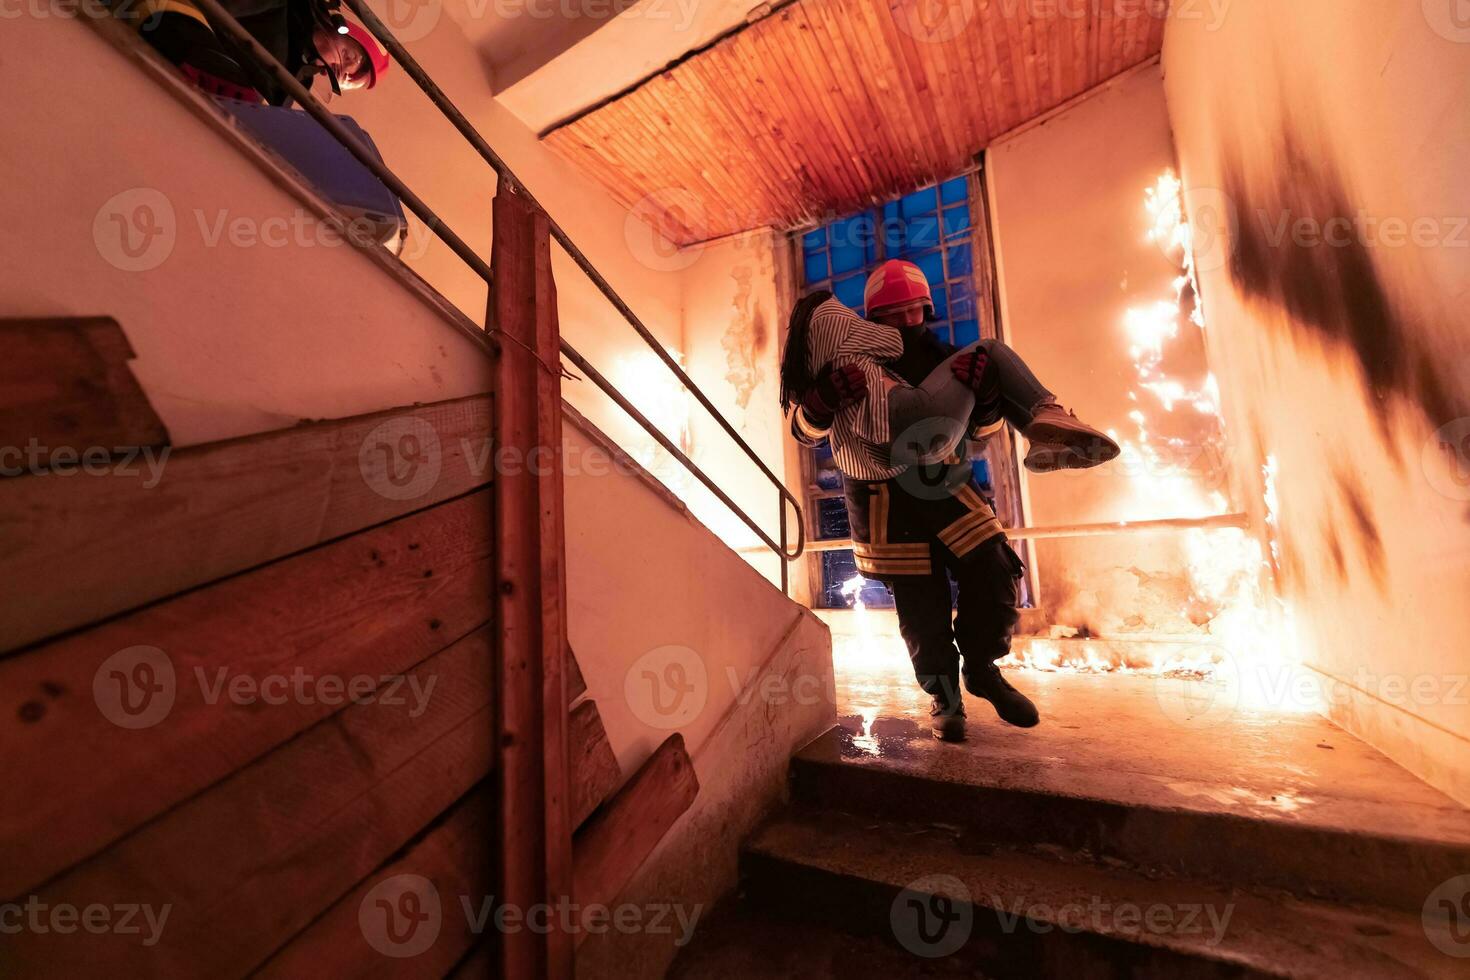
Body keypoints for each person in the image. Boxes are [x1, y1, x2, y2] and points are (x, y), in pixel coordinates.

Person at [781, 259, 1120, 741]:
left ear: (926, 310)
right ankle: (945, 698)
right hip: (884, 501)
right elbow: (804, 430)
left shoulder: (951, 359)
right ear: (872, 321)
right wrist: (821, 400)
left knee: (994, 571)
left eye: (911, 313)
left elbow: (979, 437)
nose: (902, 323)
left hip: (946, 485)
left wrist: (982, 398)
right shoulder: (850, 359)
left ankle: (982, 669)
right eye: (890, 316)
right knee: (921, 613)